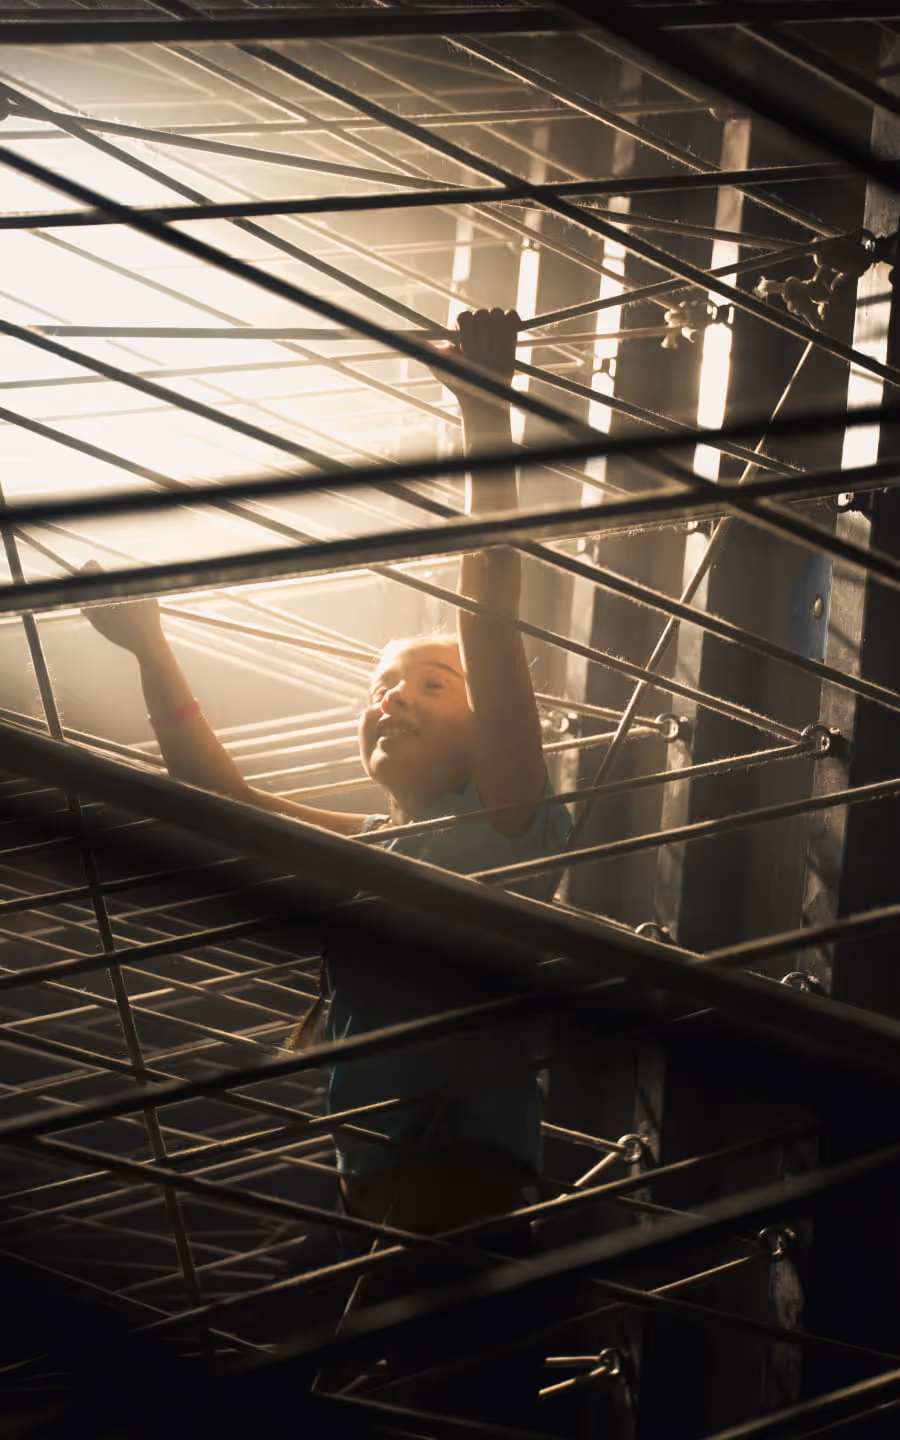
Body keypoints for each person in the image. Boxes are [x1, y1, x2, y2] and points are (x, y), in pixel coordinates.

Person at [81, 308, 571, 1238]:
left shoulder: (509, 816)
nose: (393, 699)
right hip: (377, 1196)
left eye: (431, 684)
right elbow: (225, 804)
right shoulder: (376, 849)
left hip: (455, 1182)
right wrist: (151, 648)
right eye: (382, 687)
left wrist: (485, 417)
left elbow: (490, 607)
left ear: (490, 726)